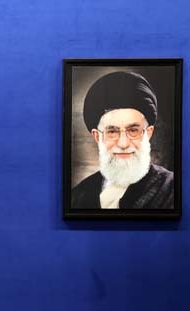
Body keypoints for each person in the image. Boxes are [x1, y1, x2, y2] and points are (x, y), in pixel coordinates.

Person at [71, 71, 174, 209]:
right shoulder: (78, 195)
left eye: (133, 131)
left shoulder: (172, 188)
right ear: (97, 136)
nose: (123, 144)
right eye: (112, 131)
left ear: (148, 133)